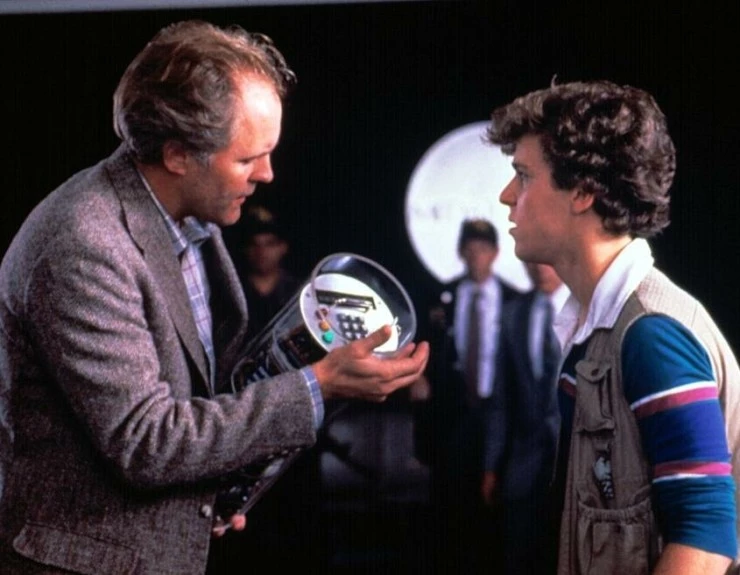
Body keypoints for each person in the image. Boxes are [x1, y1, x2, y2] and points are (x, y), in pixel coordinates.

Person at [0, 20, 428, 575]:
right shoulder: (84, 244)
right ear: (178, 154)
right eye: (247, 159)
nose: (267, 174)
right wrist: (319, 384)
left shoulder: (191, 217)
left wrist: (211, 494)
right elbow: (148, 442)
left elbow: (195, 398)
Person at [488, 80, 740, 574]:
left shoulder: (652, 335)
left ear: (584, 191)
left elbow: (707, 538)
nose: (506, 196)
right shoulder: (595, 331)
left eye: (523, 175)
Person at [414, 218, 521, 573]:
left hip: (499, 415)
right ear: (461, 252)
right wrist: (420, 378)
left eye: (483, 249)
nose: (476, 256)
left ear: (495, 253)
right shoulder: (441, 297)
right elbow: (426, 345)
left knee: (495, 504)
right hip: (453, 413)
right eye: (470, 249)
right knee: (450, 504)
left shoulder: (515, 301)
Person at [481, 262, 568, 574]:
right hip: (523, 464)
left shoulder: (588, 307)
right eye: (533, 261)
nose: (540, 268)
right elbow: (501, 401)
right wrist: (491, 465)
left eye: (547, 259)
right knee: (518, 556)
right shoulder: (512, 314)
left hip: (574, 463)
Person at [231, 202, 301, 342]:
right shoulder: (232, 291)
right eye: (254, 244)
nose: (261, 252)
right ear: (245, 249)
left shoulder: (298, 293)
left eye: (270, 244)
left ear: (283, 247)